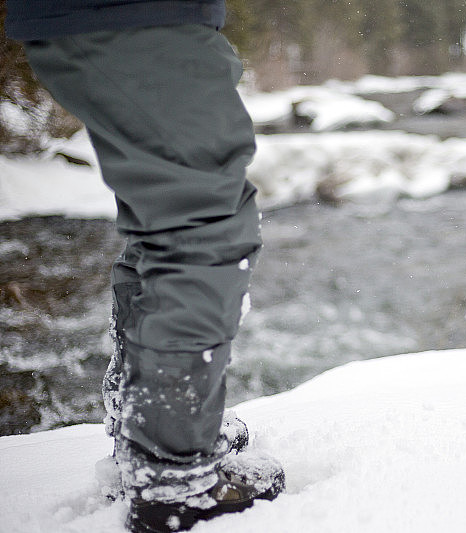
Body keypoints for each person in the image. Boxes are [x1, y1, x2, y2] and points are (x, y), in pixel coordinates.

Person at [4, 1, 284, 531]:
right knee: (203, 227)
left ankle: (152, 433)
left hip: (128, 16)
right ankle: (173, 475)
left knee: (168, 223)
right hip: (132, 13)